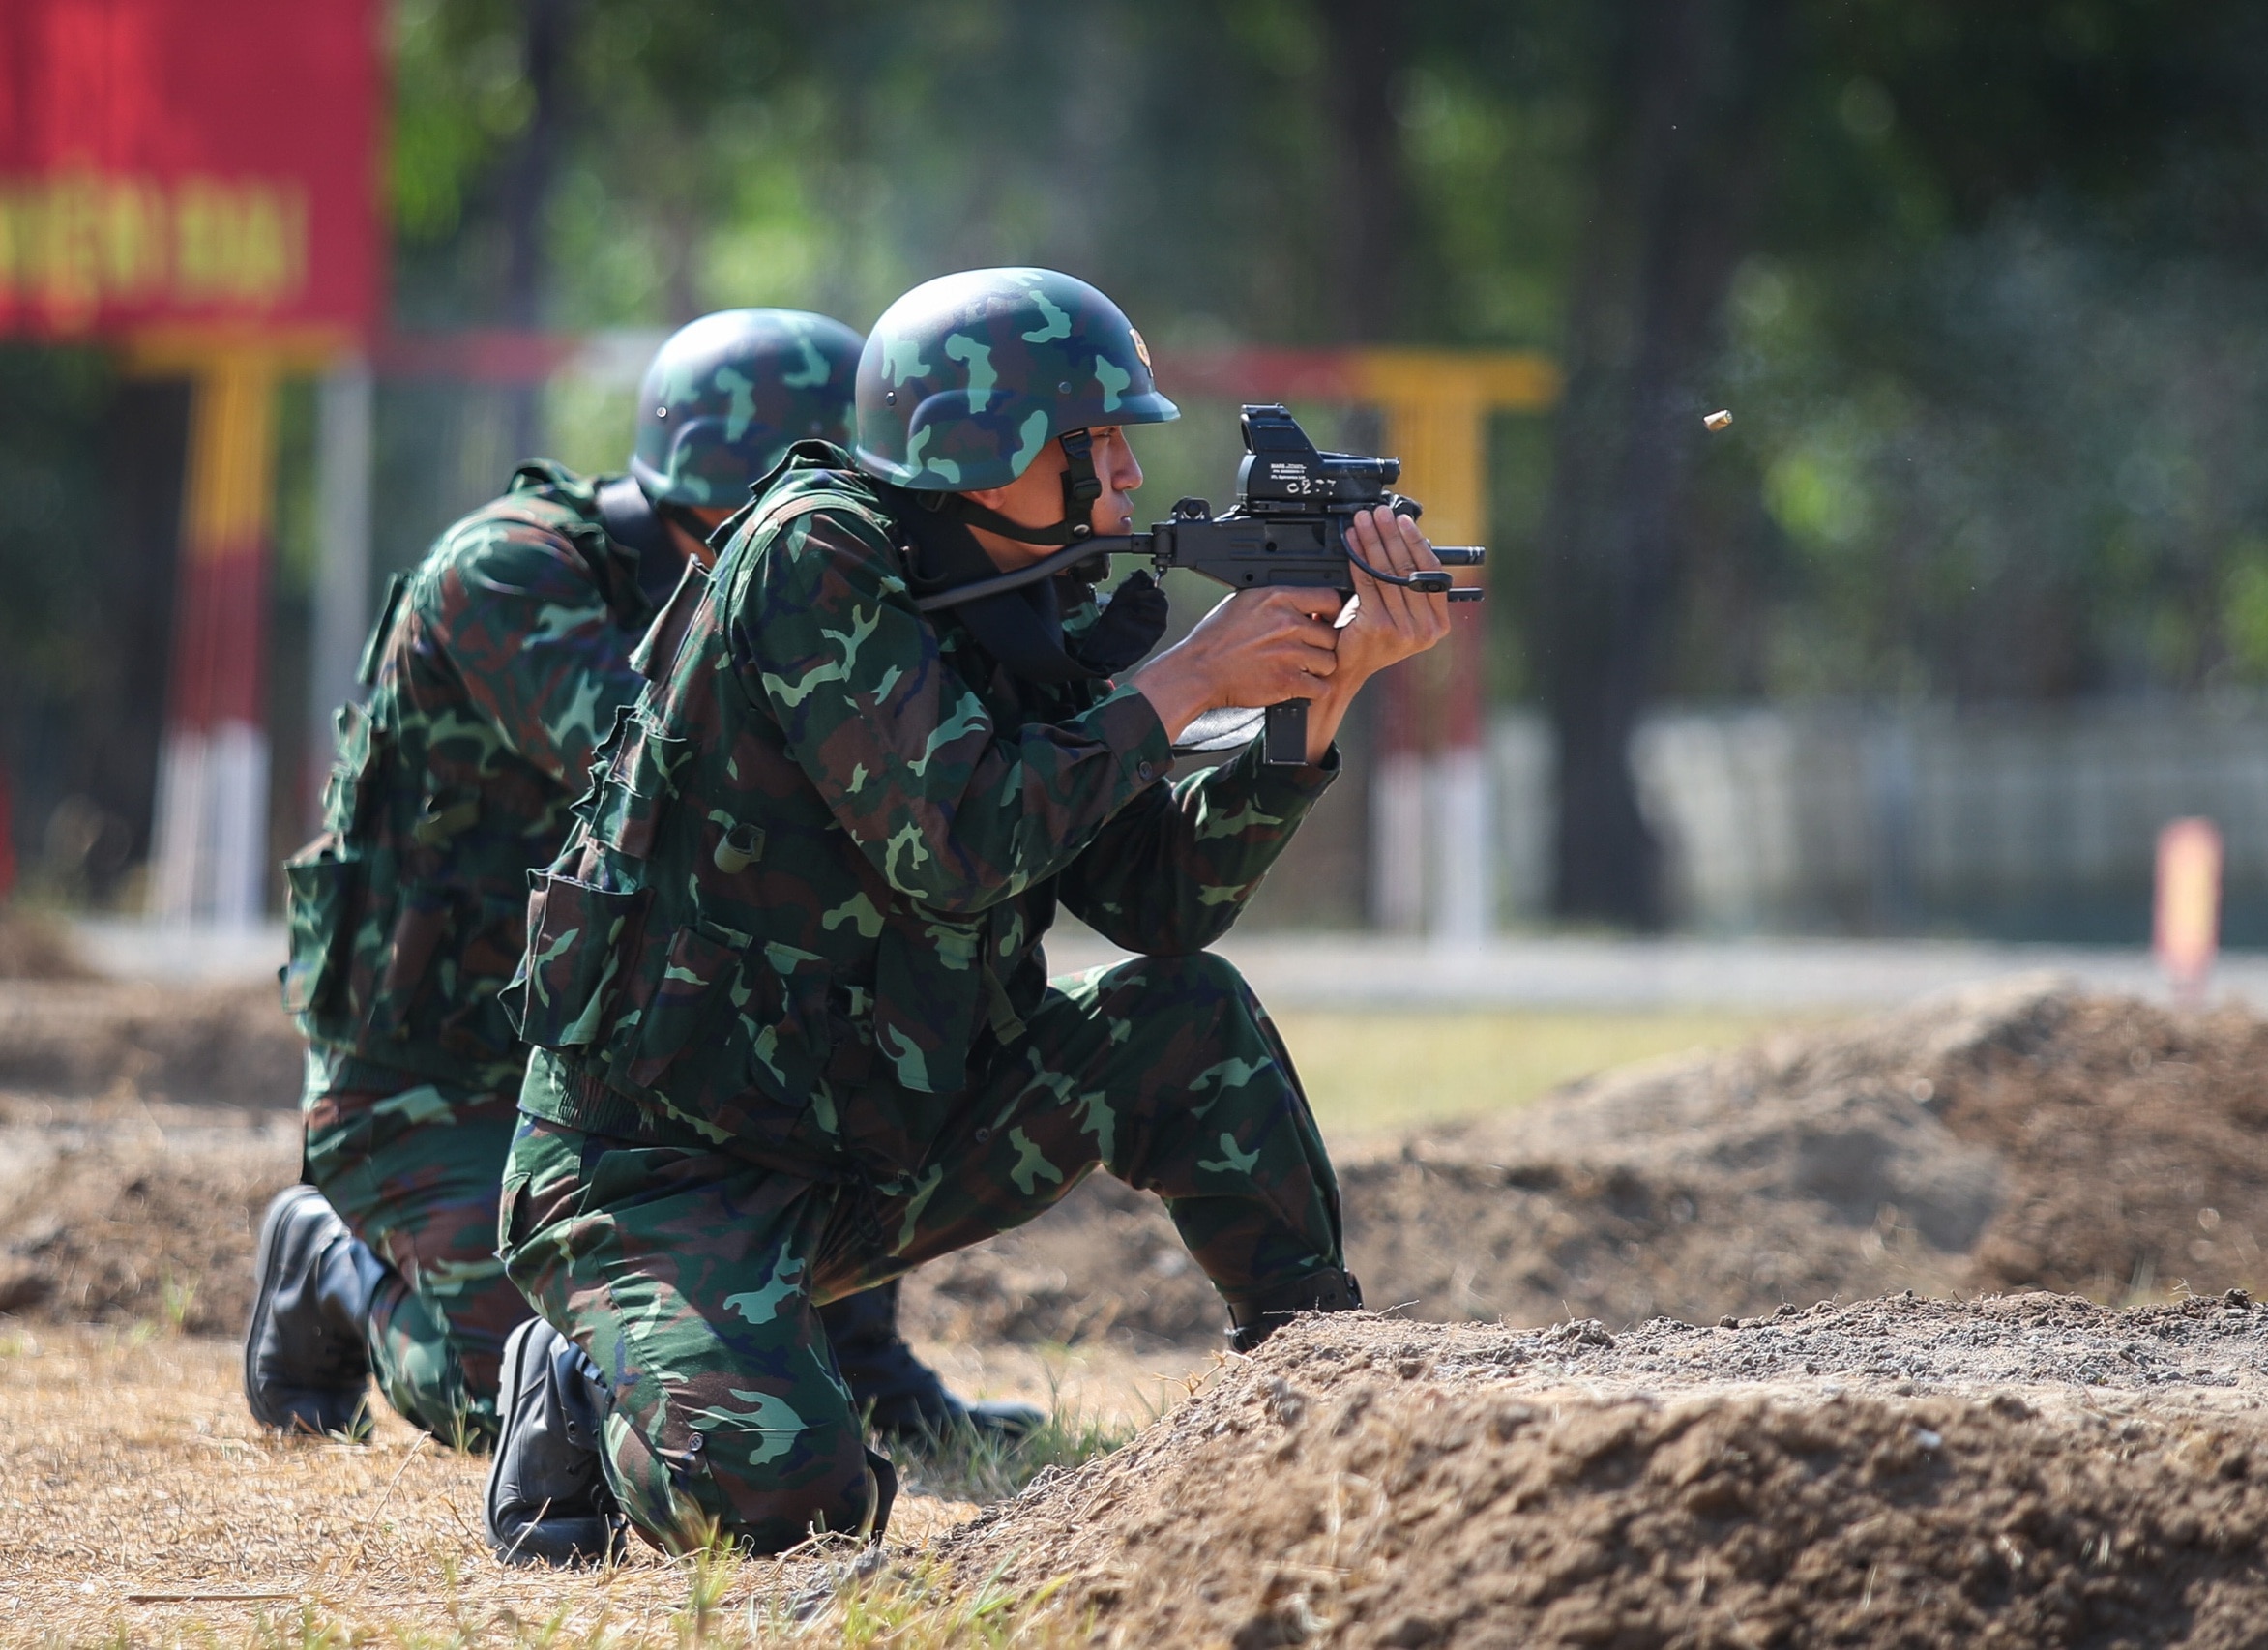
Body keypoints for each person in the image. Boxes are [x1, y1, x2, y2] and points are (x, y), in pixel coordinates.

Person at [485, 267, 1454, 1560]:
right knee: (789, 1502)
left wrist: (1311, 707)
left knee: (1189, 1022)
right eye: (1094, 440)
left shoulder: (1024, 592)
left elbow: (1157, 903)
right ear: (980, 448)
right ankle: (584, 1377)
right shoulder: (812, 552)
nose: (1123, 475)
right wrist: (1186, 677)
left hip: (869, 1146)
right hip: (659, 1166)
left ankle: (1320, 1390)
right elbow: (954, 839)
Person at [246, 308, 1039, 1470]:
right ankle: (334, 1263)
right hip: (431, 1072)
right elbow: (668, 769)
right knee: (504, 1382)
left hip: (613, 1059)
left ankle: (861, 1367)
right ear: (716, 510)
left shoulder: (783, 596)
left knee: (856, 1023)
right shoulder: (506, 577)